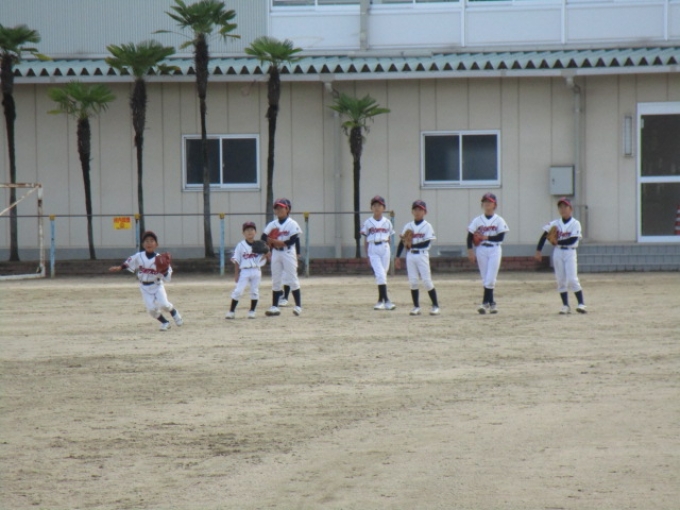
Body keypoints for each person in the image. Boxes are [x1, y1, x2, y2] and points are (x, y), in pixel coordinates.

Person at [108, 230, 183, 331]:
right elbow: (129, 262)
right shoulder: (139, 256)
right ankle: (165, 322)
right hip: (144, 287)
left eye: (152, 241)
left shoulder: (161, 259)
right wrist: (120, 267)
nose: (149, 243)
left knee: (164, 304)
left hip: (157, 285)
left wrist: (164, 270)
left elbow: (168, 277)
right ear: (143, 244)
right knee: (151, 310)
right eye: (146, 241)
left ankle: (174, 312)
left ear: (156, 244)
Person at [535, 197, 587, 314]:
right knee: (560, 280)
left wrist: (558, 241)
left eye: (565, 207)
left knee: (572, 279)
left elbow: (573, 240)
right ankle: (565, 305)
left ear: (570, 209)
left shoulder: (575, 223)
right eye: (560, 207)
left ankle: (581, 304)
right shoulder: (555, 223)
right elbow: (544, 236)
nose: (563, 209)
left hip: (570, 252)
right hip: (558, 252)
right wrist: (538, 250)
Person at [395, 200, 440, 316]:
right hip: (410, 255)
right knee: (413, 282)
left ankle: (435, 306)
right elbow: (402, 242)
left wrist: (411, 245)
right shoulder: (408, 226)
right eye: (415, 209)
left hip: (422, 255)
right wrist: (397, 257)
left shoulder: (427, 226)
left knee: (427, 281)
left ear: (425, 212)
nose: (417, 211)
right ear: (412, 211)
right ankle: (416, 307)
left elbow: (426, 243)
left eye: (420, 209)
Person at [467, 193, 509, 314]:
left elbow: (501, 237)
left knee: (490, 279)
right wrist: (470, 251)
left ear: (494, 205)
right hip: (481, 249)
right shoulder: (477, 220)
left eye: (489, 202)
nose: (487, 204)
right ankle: (492, 304)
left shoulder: (499, 220)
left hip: (495, 249)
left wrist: (486, 237)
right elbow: (469, 236)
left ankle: (485, 303)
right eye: (485, 202)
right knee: (485, 278)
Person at [262, 198, 303, 316]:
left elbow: (292, 241)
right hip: (276, 253)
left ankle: (298, 306)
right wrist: (268, 246)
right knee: (276, 279)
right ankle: (275, 306)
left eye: (281, 207)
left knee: (292, 278)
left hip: (288, 252)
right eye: (276, 208)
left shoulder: (292, 223)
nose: (279, 210)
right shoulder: (272, 224)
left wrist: (275, 241)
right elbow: (263, 237)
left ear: (287, 209)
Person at [225, 221, 267, 320]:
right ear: (243, 233)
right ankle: (231, 311)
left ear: (255, 232)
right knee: (238, 291)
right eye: (247, 230)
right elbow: (237, 260)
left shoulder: (259, 244)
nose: (250, 232)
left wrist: (266, 252)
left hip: (256, 270)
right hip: (244, 271)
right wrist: (236, 274)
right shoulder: (240, 245)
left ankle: (252, 311)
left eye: (252, 230)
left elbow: (266, 255)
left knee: (254, 292)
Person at [361, 195, 396, 310]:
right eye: (374, 205)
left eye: (379, 206)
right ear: (371, 208)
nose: (377, 208)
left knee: (383, 274)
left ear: (383, 208)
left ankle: (380, 301)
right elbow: (365, 239)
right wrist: (367, 255)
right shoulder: (368, 222)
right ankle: (387, 301)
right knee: (380, 274)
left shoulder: (387, 222)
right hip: (373, 247)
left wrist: (390, 252)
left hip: (385, 247)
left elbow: (390, 238)